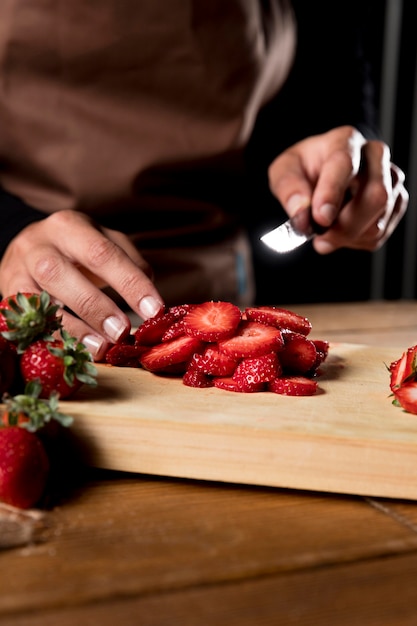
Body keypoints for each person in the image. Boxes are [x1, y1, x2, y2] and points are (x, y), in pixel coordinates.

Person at [0, 0, 408, 361]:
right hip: (34, 291)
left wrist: (346, 149)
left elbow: (333, 42)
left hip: (224, 284)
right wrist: (12, 233)